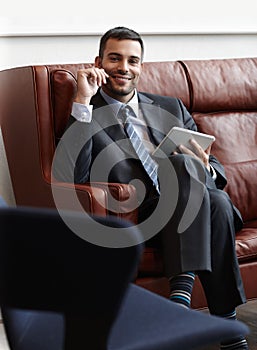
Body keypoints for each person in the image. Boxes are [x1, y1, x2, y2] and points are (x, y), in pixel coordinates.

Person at [53, 27, 248, 349]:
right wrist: (83, 98)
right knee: (211, 199)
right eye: (115, 59)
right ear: (99, 62)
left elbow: (218, 171)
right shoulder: (87, 114)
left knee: (211, 195)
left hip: (194, 211)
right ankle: (224, 326)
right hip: (143, 218)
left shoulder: (169, 107)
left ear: (142, 66)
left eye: (133, 60)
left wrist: (206, 169)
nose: (124, 68)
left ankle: (184, 303)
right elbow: (70, 173)